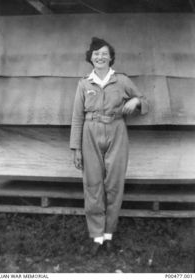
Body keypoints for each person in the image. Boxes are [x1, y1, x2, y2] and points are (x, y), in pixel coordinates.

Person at [70, 37, 148, 255]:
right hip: (90, 133)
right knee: (93, 185)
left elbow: (145, 100)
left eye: (104, 53)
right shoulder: (84, 83)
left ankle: (109, 234)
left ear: (111, 57)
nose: (100, 56)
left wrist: (136, 101)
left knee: (114, 185)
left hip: (117, 131)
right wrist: (76, 148)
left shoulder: (121, 80)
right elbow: (77, 117)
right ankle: (96, 236)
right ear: (90, 58)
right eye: (96, 53)